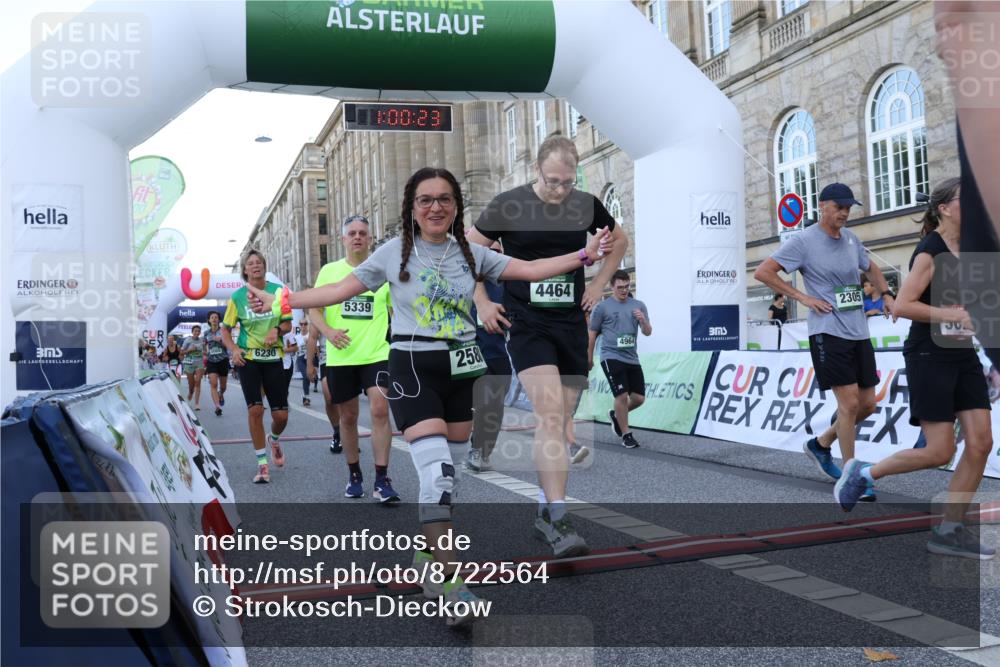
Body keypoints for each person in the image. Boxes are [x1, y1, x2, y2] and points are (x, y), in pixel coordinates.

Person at [246, 166, 614, 623]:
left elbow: (532, 269)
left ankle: (426, 560)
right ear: (412, 208)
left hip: (463, 370)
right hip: (412, 370)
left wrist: (584, 255)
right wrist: (282, 300)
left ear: (456, 207)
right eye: (425, 200)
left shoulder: (471, 254)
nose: (435, 206)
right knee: (438, 476)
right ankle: (451, 586)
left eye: (444, 199)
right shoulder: (391, 253)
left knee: (447, 482)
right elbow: (339, 289)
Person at [468, 134, 628, 556]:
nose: (560, 191)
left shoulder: (585, 204)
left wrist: (597, 284)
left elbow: (621, 242)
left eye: (568, 182)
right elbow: (465, 254)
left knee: (562, 417)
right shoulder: (508, 204)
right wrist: (483, 300)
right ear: (537, 171)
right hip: (527, 324)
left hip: (571, 324)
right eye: (553, 181)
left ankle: (544, 508)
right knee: (550, 413)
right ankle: (559, 517)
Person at [835, 177, 995, 559]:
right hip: (929, 355)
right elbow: (902, 306)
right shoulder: (930, 251)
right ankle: (863, 473)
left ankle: (949, 530)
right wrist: (949, 313)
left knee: (981, 443)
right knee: (939, 451)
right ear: (944, 208)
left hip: (961, 352)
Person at [754, 183, 895, 501]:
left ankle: (820, 444)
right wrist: (803, 297)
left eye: (849, 208)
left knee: (868, 405)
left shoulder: (850, 239)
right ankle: (851, 475)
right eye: (840, 207)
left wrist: (885, 294)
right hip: (827, 332)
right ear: (823, 206)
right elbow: (764, 272)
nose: (845, 213)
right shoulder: (804, 241)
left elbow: (870, 265)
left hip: (858, 330)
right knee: (848, 406)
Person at [311, 215, 399, 503]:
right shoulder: (329, 271)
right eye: (352, 233)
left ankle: (382, 479)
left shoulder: (382, 271)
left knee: (379, 410)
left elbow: (397, 310)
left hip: (377, 353)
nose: (358, 237)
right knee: (348, 417)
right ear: (344, 239)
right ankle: (354, 475)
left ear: (370, 238)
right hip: (341, 356)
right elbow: (314, 309)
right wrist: (328, 332)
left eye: (363, 232)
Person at [222, 249, 292, 484]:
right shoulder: (237, 297)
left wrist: (276, 329)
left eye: (258, 262)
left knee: (281, 416)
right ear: (245, 270)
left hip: (273, 358)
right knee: (255, 410)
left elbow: (288, 324)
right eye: (250, 263)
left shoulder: (277, 291)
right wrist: (234, 349)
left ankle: (274, 438)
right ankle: (262, 465)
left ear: (264, 266)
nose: (255, 265)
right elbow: (225, 328)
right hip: (249, 359)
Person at [588, 270, 652, 449]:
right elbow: (592, 333)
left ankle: (617, 416)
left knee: (639, 398)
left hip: (632, 357)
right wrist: (589, 357)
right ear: (612, 287)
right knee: (622, 395)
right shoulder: (602, 307)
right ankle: (626, 434)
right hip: (610, 356)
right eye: (620, 287)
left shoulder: (638, 305)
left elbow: (648, 332)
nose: (624, 290)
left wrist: (643, 321)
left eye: (627, 287)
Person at [465, 238, 513, 474]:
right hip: (468, 351)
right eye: (487, 251)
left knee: (494, 407)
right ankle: (472, 447)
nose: (492, 255)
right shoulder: (465, 278)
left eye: (496, 251)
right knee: (478, 403)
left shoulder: (508, 283)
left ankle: (482, 450)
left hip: (497, 352)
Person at [307, 327, 343, 453]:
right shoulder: (319, 308)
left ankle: (348, 434)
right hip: (327, 357)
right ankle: (337, 432)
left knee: (348, 401)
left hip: (349, 354)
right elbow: (312, 337)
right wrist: (309, 365)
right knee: (329, 397)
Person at [203, 310, 230, 416]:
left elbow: (229, 345)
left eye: (216, 317)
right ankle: (217, 406)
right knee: (213, 384)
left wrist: (220, 341)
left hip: (223, 360)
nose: (214, 319)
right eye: (212, 317)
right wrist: (205, 354)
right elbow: (204, 348)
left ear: (219, 320)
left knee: (223, 387)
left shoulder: (224, 331)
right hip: (211, 361)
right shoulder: (206, 333)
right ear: (209, 320)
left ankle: (221, 393)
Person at [181, 325, 206, 410]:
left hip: (199, 363)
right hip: (189, 363)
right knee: (191, 385)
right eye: (195, 331)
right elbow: (181, 352)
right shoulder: (187, 340)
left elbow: (205, 351)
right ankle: (191, 392)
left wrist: (204, 352)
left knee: (198, 381)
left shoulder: (202, 340)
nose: (197, 332)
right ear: (192, 332)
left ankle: (197, 403)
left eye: (198, 331)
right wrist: (189, 350)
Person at [294, 317, 311, 406]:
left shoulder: (311, 336)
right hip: (300, 359)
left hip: (310, 358)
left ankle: (305, 396)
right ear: (299, 326)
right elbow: (294, 350)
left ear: (308, 325)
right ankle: (306, 397)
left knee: (308, 377)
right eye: (301, 324)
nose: (303, 326)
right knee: (305, 376)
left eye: (305, 324)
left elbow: (316, 349)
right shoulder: (296, 337)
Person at [281, 325, 300, 391]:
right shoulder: (271, 332)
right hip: (274, 363)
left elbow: (296, 348)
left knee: (285, 389)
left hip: (287, 364)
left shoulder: (289, 334)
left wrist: (283, 350)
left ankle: (284, 400)